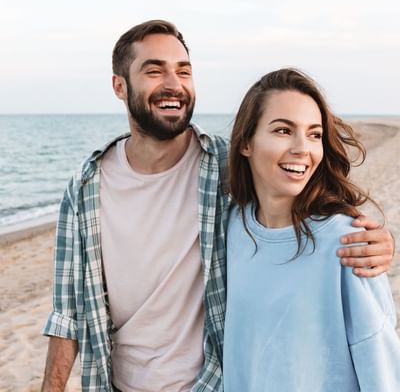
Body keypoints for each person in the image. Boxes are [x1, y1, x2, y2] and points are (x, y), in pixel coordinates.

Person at [40, 20, 394, 392]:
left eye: (183, 71)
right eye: (154, 70)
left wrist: (376, 240)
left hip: (209, 384)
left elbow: (294, 194)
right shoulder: (85, 186)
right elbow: (68, 311)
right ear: (119, 86)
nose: (173, 84)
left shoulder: (226, 167)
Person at [224, 68, 400, 391]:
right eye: (283, 130)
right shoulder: (232, 227)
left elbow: (381, 368)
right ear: (246, 142)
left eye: (315, 134)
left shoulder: (347, 241)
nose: (302, 148)